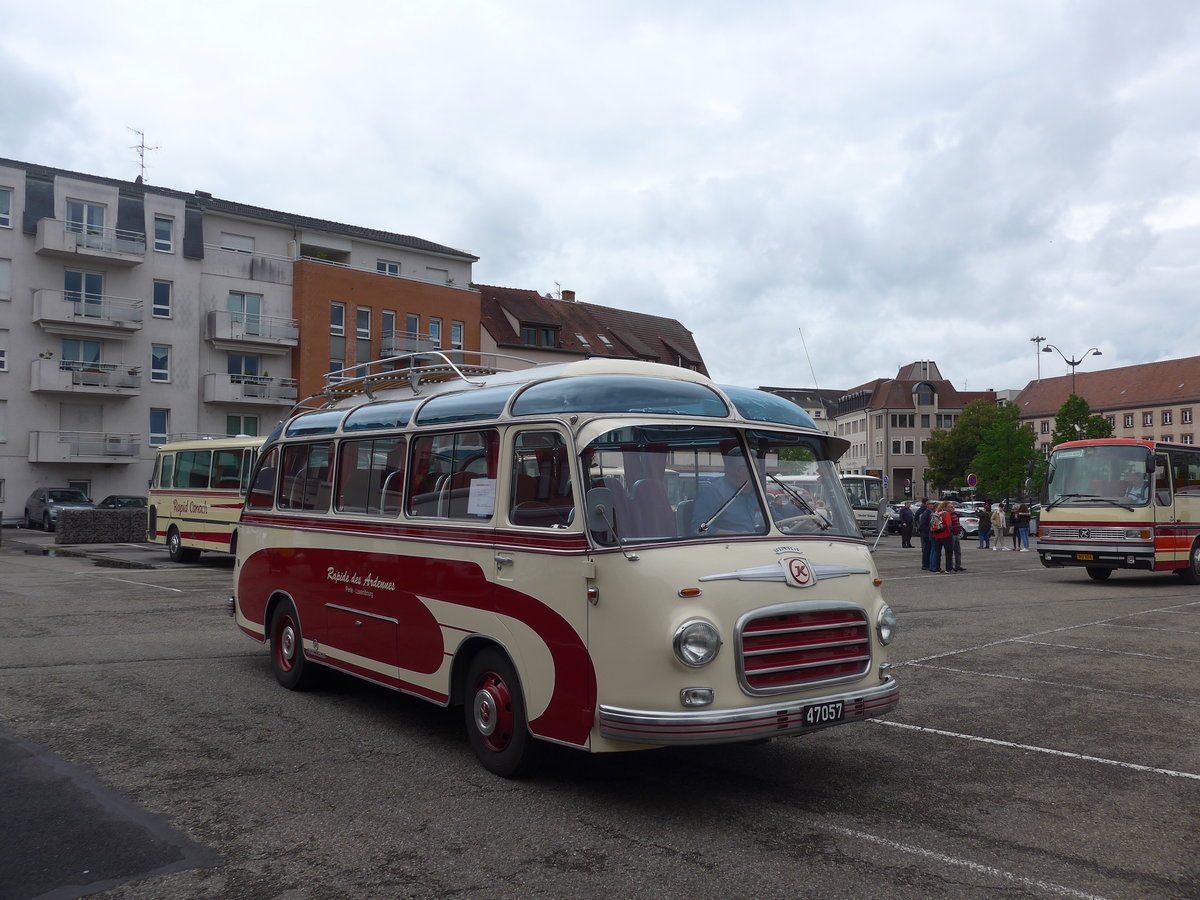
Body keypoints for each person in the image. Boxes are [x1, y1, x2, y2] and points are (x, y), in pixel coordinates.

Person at [692, 448, 764, 534]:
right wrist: (738, 536)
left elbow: (776, 519)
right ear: (739, 470)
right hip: (730, 546)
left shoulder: (757, 493)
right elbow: (699, 529)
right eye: (756, 470)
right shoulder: (713, 493)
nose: (759, 475)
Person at [929, 501, 954, 573]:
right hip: (945, 535)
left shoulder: (936, 513)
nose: (951, 508)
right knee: (948, 552)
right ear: (945, 507)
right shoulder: (946, 514)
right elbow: (949, 525)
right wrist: (951, 534)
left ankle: (937, 568)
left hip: (936, 535)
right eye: (949, 507)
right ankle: (948, 569)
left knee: (937, 553)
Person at [915, 499, 933, 569]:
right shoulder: (926, 513)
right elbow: (922, 524)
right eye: (931, 504)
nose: (932, 506)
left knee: (928, 549)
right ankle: (925, 565)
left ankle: (928, 564)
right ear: (927, 505)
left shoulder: (930, 512)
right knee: (926, 549)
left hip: (928, 534)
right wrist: (929, 530)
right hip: (926, 534)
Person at [949, 505, 965, 571]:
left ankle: (958, 565)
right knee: (950, 551)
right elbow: (949, 525)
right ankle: (950, 566)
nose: (953, 508)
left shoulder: (955, 515)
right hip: (952, 535)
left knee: (958, 551)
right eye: (951, 507)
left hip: (957, 534)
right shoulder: (948, 515)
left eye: (953, 507)